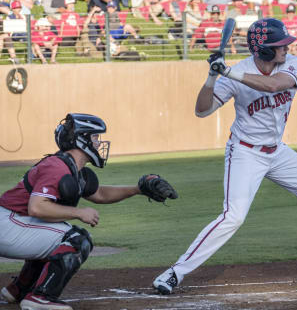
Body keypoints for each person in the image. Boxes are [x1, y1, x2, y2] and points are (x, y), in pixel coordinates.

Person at [152, 17, 297, 295]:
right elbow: (202, 111)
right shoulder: (236, 72)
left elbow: (275, 85)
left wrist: (227, 72)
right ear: (263, 50)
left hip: (277, 152)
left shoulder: (291, 64)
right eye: (280, 46)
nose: (286, 48)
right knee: (233, 217)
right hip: (245, 153)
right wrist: (212, 77)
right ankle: (174, 273)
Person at [0, 113, 177, 310]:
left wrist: (137, 189)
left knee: (60, 236)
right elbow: (37, 207)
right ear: (81, 140)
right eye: (95, 137)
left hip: (13, 223)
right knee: (76, 239)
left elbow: (100, 194)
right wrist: (78, 212)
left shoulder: (70, 167)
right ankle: (40, 298)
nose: (99, 143)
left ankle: (18, 289)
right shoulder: (57, 167)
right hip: (8, 223)